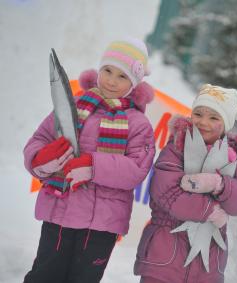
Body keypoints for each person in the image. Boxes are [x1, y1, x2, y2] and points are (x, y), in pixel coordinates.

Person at [23, 38, 156, 283]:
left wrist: (91, 166)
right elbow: (40, 138)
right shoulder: (73, 104)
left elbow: (137, 169)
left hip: (100, 226)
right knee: (44, 275)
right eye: (107, 70)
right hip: (59, 212)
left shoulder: (138, 123)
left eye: (122, 76)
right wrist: (42, 159)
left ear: (134, 83)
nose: (111, 81)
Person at [134, 84, 237, 283]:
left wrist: (220, 184)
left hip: (206, 266)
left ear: (226, 124)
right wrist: (211, 210)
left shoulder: (233, 160)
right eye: (198, 114)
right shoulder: (176, 149)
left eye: (213, 117)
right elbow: (166, 193)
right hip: (164, 257)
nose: (203, 122)